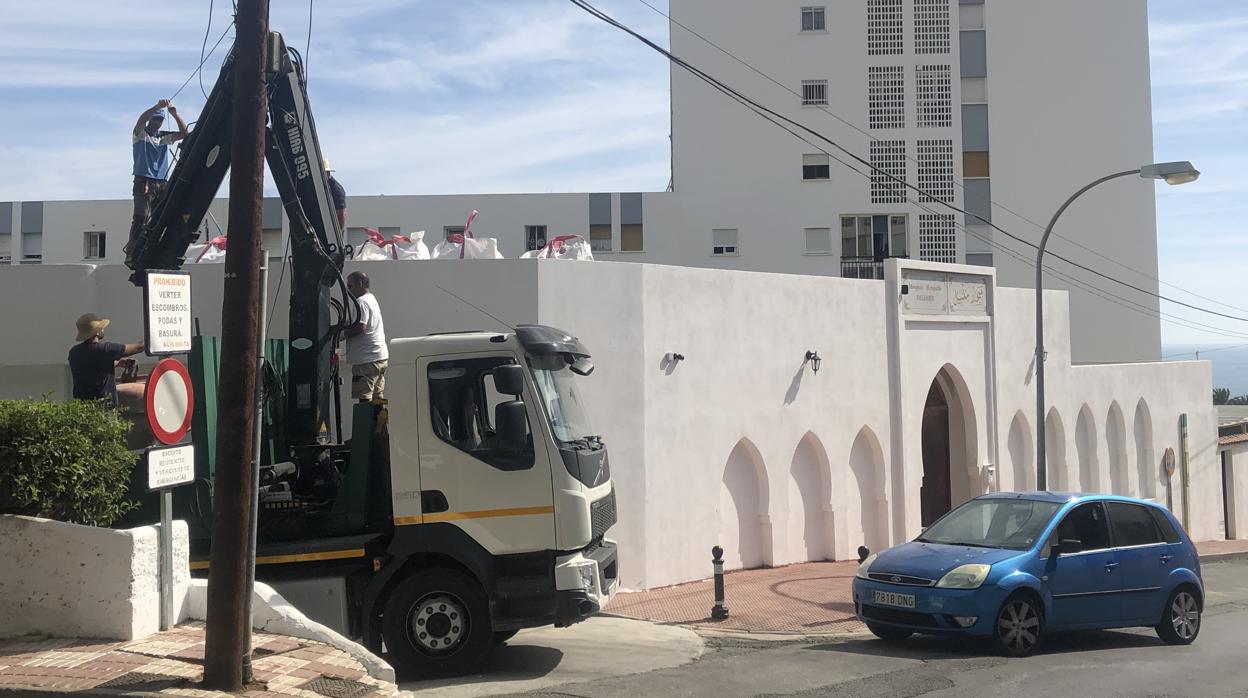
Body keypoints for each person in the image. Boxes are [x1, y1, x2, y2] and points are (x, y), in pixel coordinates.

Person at [127, 99, 189, 256]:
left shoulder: (163, 137)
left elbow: (184, 133)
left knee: (162, 216)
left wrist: (175, 114)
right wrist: (156, 107)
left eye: (161, 119)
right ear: (150, 119)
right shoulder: (141, 134)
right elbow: (140, 121)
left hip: (161, 182)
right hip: (144, 180)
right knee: (141, 217)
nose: (158, 123)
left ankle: (156, 248)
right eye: (155, 119)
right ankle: (133, 251)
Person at [68, 314, 144, 404]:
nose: (103, 329)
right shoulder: (105, 350)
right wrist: (155, 338)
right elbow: (138, 348)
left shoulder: (74, 352)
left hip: (82, 407)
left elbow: (92, 366)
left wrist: (118, 363)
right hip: (104, 408)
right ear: (96, 332)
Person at [344, 271, 388, 402]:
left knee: (365, 399)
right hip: (379, 357)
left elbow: (360, 327)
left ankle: (364, 422)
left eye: (350, 286)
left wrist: (342, 334)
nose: (348, 290)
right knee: (377, 398)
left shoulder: (361, 302)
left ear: (359, 284)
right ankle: (379, 422)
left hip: (366, 360)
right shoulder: (371, 299)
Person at [325, 159, 347, 231]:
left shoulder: (337, 190)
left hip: (332, 230)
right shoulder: (323, 187)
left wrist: (338, 233)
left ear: (328, 173)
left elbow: (341, 215)